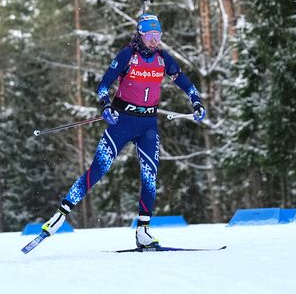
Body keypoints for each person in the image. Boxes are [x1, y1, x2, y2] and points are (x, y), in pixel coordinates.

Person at [42, 14, 206, 248]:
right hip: (123, 121)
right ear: (140, 34)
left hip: (148, 124)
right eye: (150, 35)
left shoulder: (163, 59)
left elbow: (185, 82)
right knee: (98, 169)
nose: (154, 41)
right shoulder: (128, 55)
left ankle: (143, 230)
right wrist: (106, 106)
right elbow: (102, 85)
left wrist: (197, 102)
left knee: (150, 175)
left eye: (158, 36)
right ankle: (60, 213)